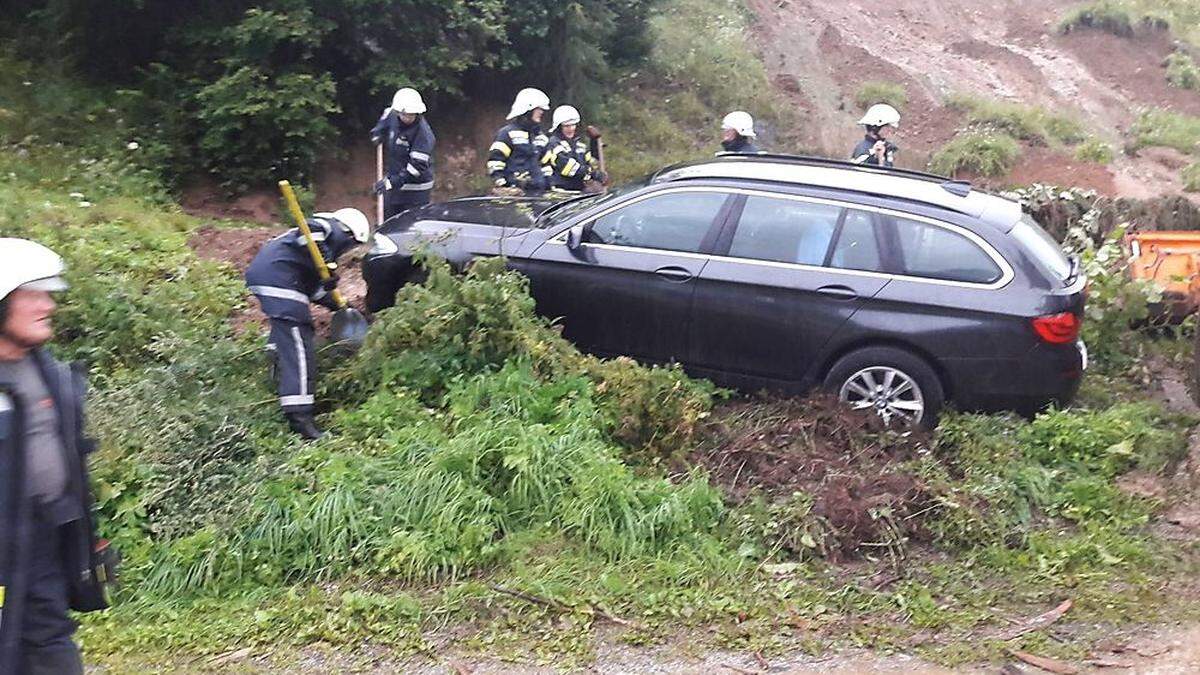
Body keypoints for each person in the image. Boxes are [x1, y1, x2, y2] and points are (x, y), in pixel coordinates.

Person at [0, 238, 111, 674]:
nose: (49, 305)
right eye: (35, 294)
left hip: (41, 545)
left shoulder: (49, 372)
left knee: (51, 651)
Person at [244, 208, 369, 439]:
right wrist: (328, 262)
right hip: (278, 278)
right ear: (350, 234)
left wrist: (342, 307)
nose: (348, 250)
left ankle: (275, 377)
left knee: (283, 332)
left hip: (271, 275)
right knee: (299, 342)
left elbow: (316, 290)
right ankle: (300, 417)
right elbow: (310, 229)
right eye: (351, 245)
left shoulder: (306, 253)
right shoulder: (330, 227)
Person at [371, 87, 436, 220]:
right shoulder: (392, 114)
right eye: (405, 114)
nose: (409, 118)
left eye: (412, 114)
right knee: (389, 221)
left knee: (410, 227)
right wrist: (378, 133)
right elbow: (382, 124)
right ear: (398, 112)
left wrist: (391, 182)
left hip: (417, 191)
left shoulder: (423, 134)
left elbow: (416, 167)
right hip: (396, 185)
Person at [487, 88, 553, 195]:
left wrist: (549, 185)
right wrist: (503, 186)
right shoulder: (507, 133)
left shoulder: (541, 137)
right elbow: (496, 161)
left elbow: (546, 164)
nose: (542, 112)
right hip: (515, 196)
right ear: (527, 110)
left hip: (539, 195)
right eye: (538, 109)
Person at [542, 105, 606, 193]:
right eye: (567, 126)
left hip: (578, 191)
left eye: (573, 125)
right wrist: (591, 173)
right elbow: (568, 167)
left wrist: (594, 142)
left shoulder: (579, 145)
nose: (571, 128)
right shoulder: (554, 144)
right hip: (562, 193)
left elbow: (591, 161)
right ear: (559, 127)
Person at [851, 103, 901, 167]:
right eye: (887, 126)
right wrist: (877, 156)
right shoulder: (863, 150)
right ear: (875, 127)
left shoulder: (886, 148)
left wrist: (881, 157)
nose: (890, 130)